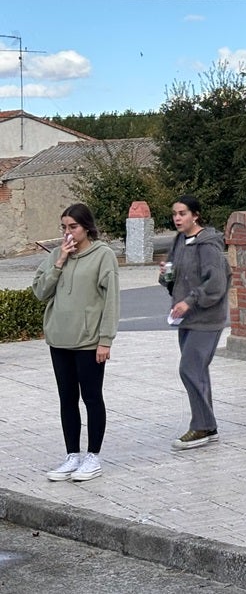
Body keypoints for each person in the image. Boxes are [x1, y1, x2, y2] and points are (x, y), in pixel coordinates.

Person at [33, 203, 119, 482]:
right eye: (64, 227)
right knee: (66, 398)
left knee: (92, 398)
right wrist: (58, 264)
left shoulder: (103, 255)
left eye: (73, 227)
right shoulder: (58, 255)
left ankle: (93, 457)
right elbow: (40, 292)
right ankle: (72, 455)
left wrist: (105, 340)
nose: (68, 233)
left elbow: (111, 301)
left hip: (90, 341)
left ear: (86, 228)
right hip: (59, 339)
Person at [164, 195, 231, 450]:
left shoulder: (208, 245)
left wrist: (190, 300)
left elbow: (216, 284)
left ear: (196, 215)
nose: (177, 218)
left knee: (189, 369)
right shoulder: (179, 241)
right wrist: (166, 276)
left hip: (207, 318)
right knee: (197, 371)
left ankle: (201, 426)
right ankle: (209, 427)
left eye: (182, 213)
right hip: (186, 319)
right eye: (174, 214)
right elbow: (174, 276)